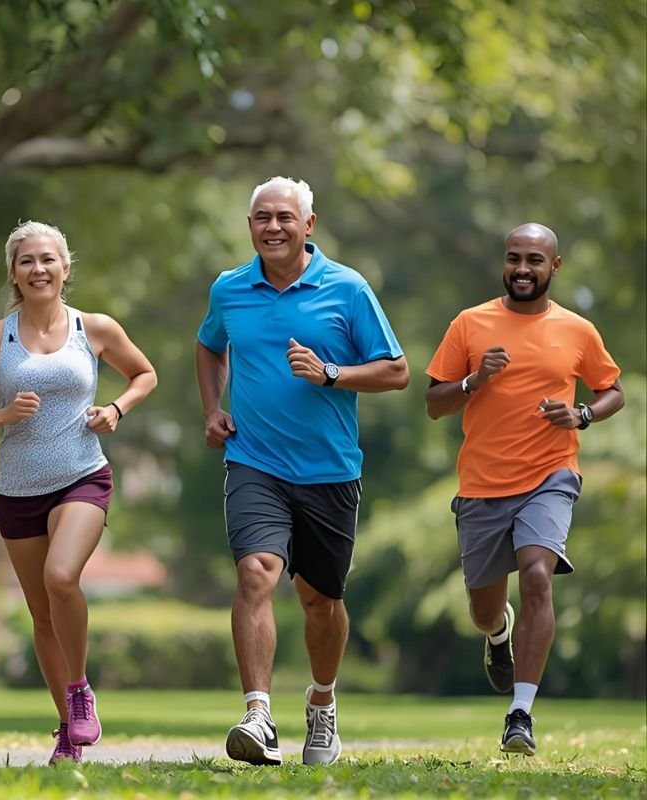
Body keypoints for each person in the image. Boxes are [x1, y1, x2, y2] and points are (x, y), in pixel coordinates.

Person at [195, 177, 408, 766]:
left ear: (308, 225)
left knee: (320, 601)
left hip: (329, 470)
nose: (273, 227)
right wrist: (214, 409)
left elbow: (396, 371)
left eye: (285, 217)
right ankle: (259, 715)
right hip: (254, 461)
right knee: (256, 573)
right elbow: (210, 346)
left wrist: (332, 374)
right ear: (250, 227)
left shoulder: (347, 287)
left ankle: (321, 704)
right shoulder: (230, 289)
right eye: (262, 217)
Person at [0, 221, 157, 765]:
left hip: (82, 474)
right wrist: (2, 413)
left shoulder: (95, 328)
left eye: (48, 260)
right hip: (18, 489)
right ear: (14, 274)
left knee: (61, 577)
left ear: (66, 267)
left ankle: (80, 690)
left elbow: (144, 375)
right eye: (26, 262)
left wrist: (115, 409)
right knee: (41, 615)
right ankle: (67, 729)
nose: (38, 269)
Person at [425, 223, 624, 756]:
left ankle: (520, 714)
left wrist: (581, 415)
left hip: (550, 474)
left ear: (554, 267)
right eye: (514, 258)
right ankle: (497, 635)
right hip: (482, 485)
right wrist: (474, 380)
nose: (521, 269)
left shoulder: (578, 331)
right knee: (484, 610)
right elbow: (434, 402)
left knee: (538, 572)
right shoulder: (470, 323)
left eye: (534, 260)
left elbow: (613, 391)